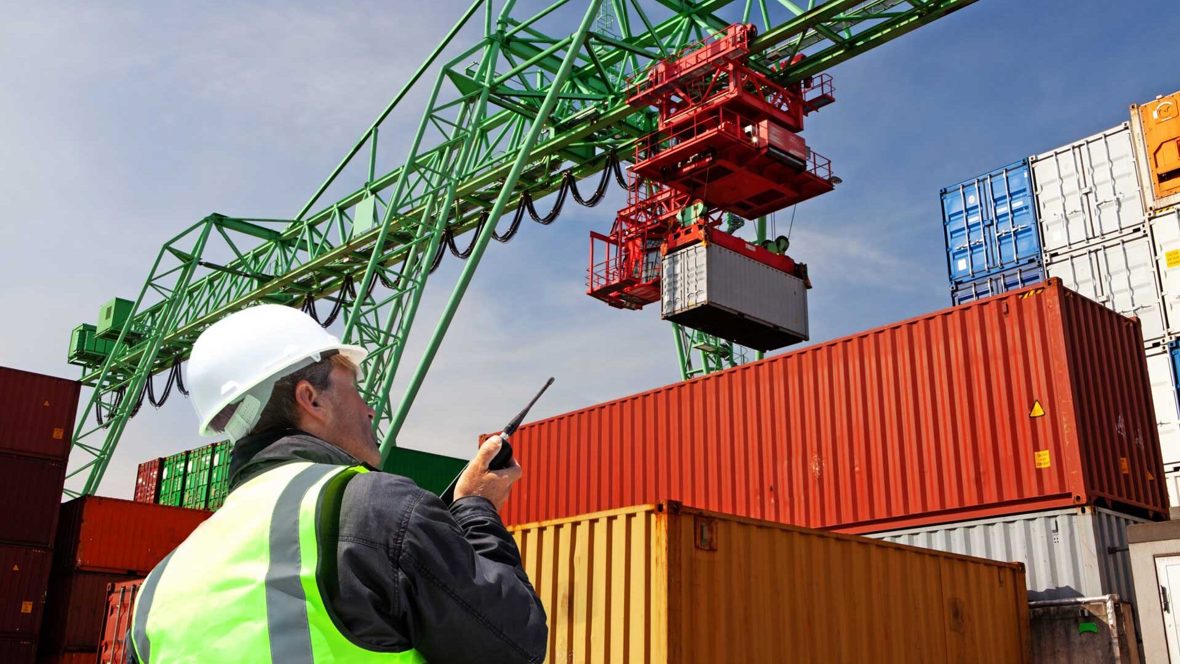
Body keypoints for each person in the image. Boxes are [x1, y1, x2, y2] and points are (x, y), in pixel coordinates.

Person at [127, 304, 548, 663]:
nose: (368, 410)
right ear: (311, 399)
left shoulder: (158, 587)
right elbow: (514, 644)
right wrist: (476, 507)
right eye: (356, 389)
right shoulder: (373, 508)